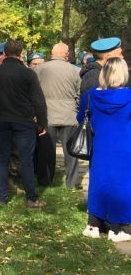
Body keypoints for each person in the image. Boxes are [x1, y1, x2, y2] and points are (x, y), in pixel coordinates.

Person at [0, 40, 48, 208]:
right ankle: (31, 198)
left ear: (4, 52)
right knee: (26, 159)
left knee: (2, 159)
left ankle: (2, 196)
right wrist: (42, 123)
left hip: (1, 121)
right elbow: (38, 101)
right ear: (20, 54)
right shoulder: (27, 74)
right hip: (24, 121)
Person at [79, 57, 131, 242]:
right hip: (125, 147)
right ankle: (120, 228)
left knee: (98, 181)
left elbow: (80, 118)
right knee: (124, 184)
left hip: (99, 146)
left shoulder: (91, 96)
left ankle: (94, 223)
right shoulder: (129, 97)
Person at [34, 43, 81, 189]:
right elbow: (80, 94)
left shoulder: (39, 69)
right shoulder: (76, 70)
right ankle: (72, 182)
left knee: (46, 150)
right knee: (71, 151)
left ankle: (45, 179)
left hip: (47, 115)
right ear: (66, 55)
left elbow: (34, 94)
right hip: (69, 114)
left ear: (52, 53)